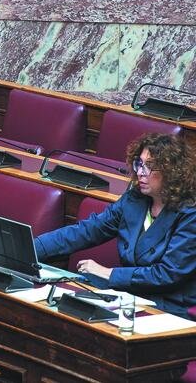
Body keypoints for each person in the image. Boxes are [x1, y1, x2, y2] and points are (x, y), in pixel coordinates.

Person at [35, 133, 196, 318]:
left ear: (171, 172)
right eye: (139, 164)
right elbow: (88, 230)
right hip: (130, 294)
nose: (140, 172)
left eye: (150, 166)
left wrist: (108, 273)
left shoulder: (190, 214)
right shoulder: (134, 200)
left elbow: (167, 274)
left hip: (168, 305)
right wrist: (30, 248)